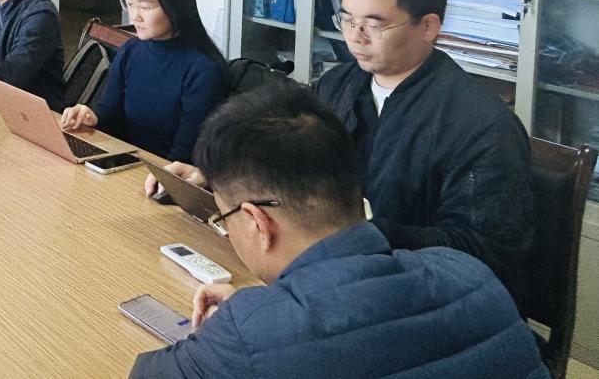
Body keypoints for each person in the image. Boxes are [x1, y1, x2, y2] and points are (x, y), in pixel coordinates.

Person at [143, 0, 533, 309]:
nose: (355, 36)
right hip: (324, 278)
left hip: (411, 301)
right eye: (346, 19)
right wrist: (217, 178)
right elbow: (280, 155)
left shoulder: (479, 125)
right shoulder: (338, 85)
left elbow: (483, 253)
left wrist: (363, 230)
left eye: (374, 24)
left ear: (428, 26)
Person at [129, 80, 548, 379]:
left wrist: (252, 323)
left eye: (223, 218)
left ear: (258, 222)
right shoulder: (470, 275)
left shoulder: (249, 335)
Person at [61, 0, 227, 161]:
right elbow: (110, 116)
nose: (135, 16)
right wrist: (91, 117)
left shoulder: (204, 70)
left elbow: (184, 157)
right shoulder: (131, 51)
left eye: (146, 7)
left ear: (175, 6)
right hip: (124, 162)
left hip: (162, 173)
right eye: (129, 4)